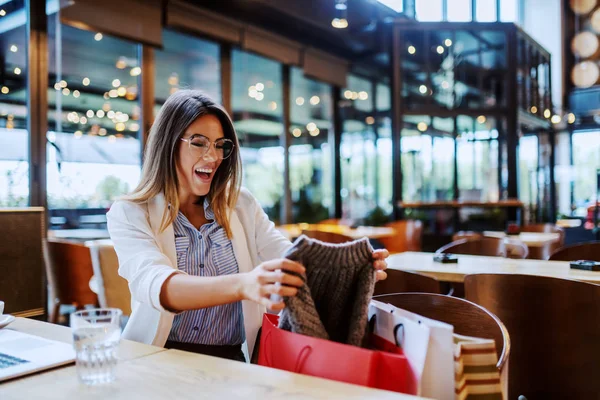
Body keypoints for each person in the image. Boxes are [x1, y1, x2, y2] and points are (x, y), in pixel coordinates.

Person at [106, 90, 388, 362]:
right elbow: (157, 285)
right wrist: (244, 285)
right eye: (199, 142)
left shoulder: (241, 204)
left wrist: (350, 271)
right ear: (168, 144)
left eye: (220, 145)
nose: (214, 156)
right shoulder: (130, 212)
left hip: (233, 360)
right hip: (157, 358)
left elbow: (289, 260)